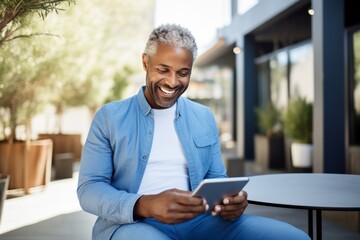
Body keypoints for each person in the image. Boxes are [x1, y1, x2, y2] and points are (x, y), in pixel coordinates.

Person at [77, 24, 310, 240]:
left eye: (183, 73)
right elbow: (89, 189)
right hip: (132, 224)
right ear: (146, 63)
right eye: (163, 69)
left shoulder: (203, 116)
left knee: (295, 238)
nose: (172, 81)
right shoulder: (109, 117)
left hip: (201, 221)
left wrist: (231, 200)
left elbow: (217, 177)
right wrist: (146, 204)